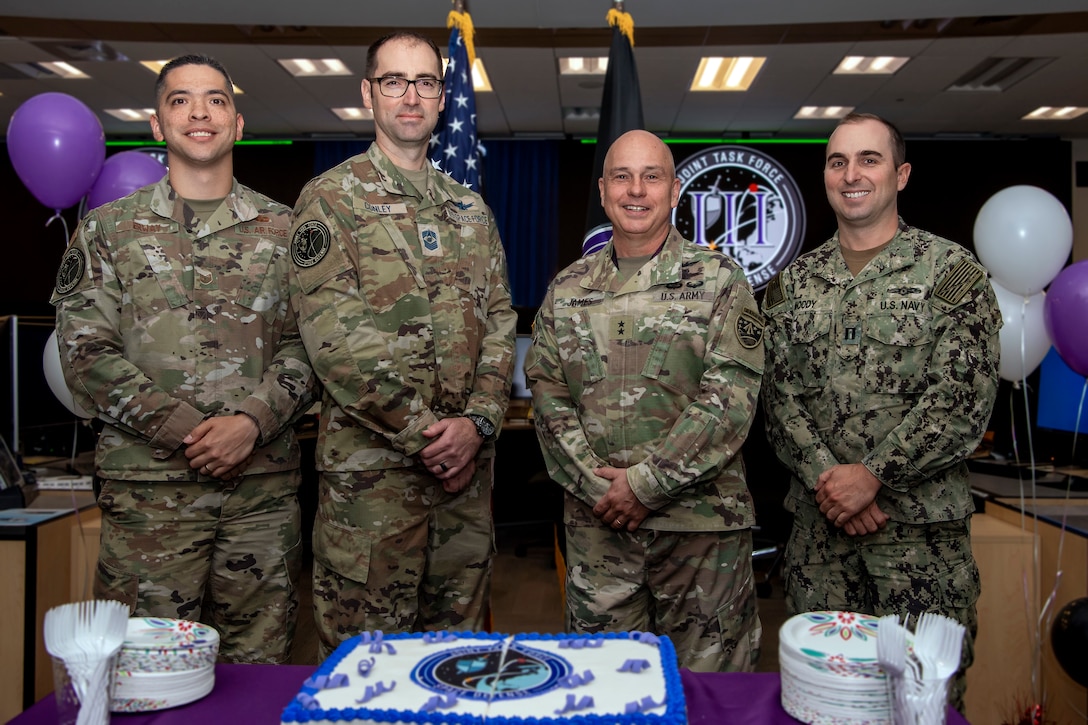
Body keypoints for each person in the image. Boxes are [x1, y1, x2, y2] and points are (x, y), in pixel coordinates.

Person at [51, 54, 316, 663]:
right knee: (147, 673)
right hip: (149, 496)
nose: (200, 112)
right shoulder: (107, 230)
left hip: (260, 496)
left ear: (239, 122)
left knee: (258, 667)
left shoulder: (287, 231)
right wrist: (185, 430)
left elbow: (313, 345)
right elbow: (84, 349)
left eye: (216, 100)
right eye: (180, 100)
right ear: (155, 123)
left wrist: (251, 423)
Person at [760, 112, 1002, 708]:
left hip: (919, 547)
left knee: (921, 708)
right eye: (838, 161)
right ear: (825, 176)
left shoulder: (952, 274)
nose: (852, 174)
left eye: (868, 159)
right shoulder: (793, 285)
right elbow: (777, 399)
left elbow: (961, 402)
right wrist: (830, 481)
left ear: (902, 173)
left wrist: (871, 478)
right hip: (821, 544)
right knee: (823, 704)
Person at [288, 31, 516, 655]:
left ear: (442, 99)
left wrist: (478, 421)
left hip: (464, 493)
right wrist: (431, 437)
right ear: (369, 93)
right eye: (394, 81)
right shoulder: (330, 200)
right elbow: (336, 342)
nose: (410, 96)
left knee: (458, 665)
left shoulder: (471, 211)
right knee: (366, 675)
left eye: (425, 83)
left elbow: (500, 321)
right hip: (373, 496)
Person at [525, 130, 766, 672]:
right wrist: (598, 485)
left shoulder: (720, 281)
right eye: (622, 177)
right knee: (605, 691)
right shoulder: (567, 289)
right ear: (605, 192)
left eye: (651, 176)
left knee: (711, 698)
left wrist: (643, 485)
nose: (637, 190)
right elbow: (547, 392)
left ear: (675, 190)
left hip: (701, 533)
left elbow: (729, 400)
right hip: (599, 529)